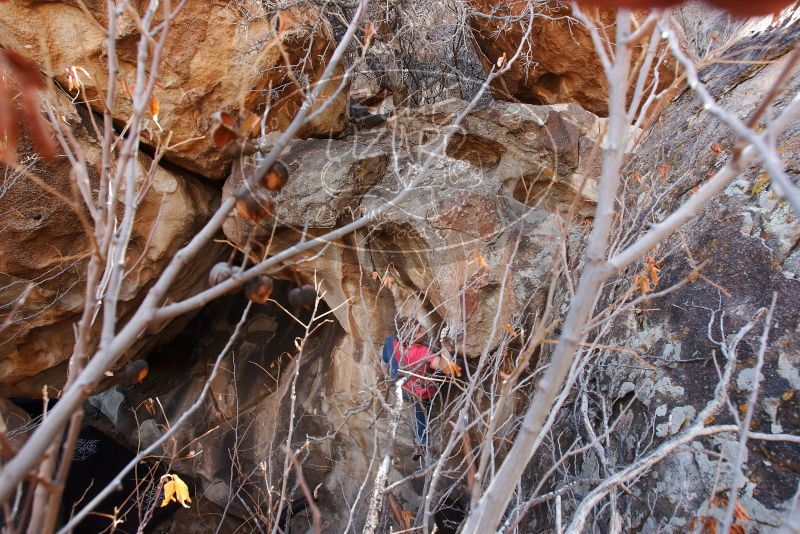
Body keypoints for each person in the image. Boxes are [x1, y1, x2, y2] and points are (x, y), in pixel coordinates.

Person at [381, 321, 461, 460]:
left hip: (400, 385)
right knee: (422, 415)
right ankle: (422, 444)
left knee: (418, 415)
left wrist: (388, 377)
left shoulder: (390, 341)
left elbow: (383, 363)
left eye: (420, 326)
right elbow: (446, 368)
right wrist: (444, 345)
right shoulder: (422, 352)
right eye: (419, 331)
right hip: (419, 393)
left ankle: (420, 444)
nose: (424, 329)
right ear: (409, 339)